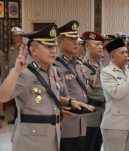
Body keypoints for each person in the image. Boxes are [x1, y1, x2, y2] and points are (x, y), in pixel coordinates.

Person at [0, 23, 94, 151]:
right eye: (48, 47)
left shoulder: (52, 71)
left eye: (54, 46)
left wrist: (70, 101)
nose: (54, 50)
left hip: (53, 136)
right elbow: (3, 97)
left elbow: (50, 96)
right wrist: (15, 71)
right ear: (33, 51)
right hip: (31, 141)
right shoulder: (24, 72)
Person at [56, 20, 89, 151]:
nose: (76, 42)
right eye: (71, 39)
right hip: (66, 124)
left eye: (76, 38)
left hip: (81, 123)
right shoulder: (55, 65)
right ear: (60, 42)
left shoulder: (78, 64)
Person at [82, 31, 105, 151]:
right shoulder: (82, 66)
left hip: (103, 114)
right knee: (88, 146)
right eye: (96, 44)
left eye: (101, 44)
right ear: (87, 46)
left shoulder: (102, 66)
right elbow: (85, 91)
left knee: (97, 145)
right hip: (89, 116)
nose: (100, 47)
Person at [7, 27, 25, 124]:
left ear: (21, 36)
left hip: (21, 76)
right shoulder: (12, 48)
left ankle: (22, 117)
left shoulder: (25, 48)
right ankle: (16, 117)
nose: (14, 37)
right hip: (12, 76)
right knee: (14, 98)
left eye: (16, 35)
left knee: (22, 97)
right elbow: (9, 62)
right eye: (13, 35)